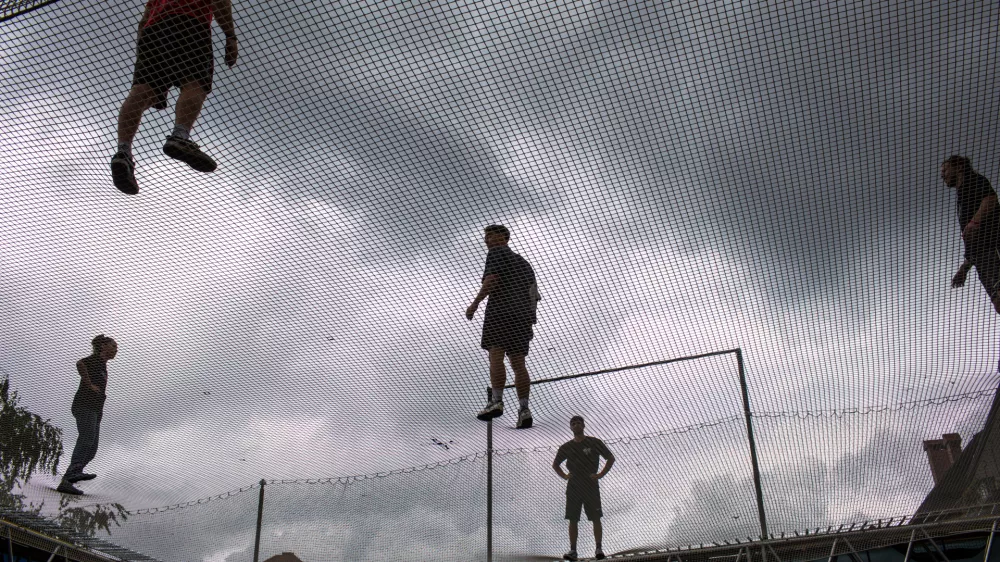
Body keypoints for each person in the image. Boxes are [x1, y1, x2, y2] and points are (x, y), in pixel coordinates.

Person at [110, 0, 238, 195]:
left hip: (153, 32)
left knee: (141, 91)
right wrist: (230, 36)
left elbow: (143, 22)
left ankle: (123, 151)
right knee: (195, 83)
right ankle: (180, 136)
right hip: (191, 24)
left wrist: (144, 56)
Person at [466, 225, 541, 429]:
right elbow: (533, 294)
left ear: (504, 238)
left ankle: (496, 401)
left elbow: (491, 280)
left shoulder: (497, 253)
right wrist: (529, 320)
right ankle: (524, 409)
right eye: (486, 236)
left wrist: (475, 304)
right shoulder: (525, 264)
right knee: (518, 363)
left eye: (492, 235)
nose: (487, 240)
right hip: (522, 318)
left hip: (500, 312)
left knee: (495, 354)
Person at [58, 335, 117, 495]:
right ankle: (73, 471)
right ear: (103, 346)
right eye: (113, 346)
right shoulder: (95, 359)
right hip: (84, 405)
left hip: (95, 410)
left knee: (92, 448)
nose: (116, 350)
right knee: (87, 439)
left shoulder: (103, 366)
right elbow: (80, 363)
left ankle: (68, 479)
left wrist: (99, 413)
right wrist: (89, 384)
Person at [552, 416, 615, 561]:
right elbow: (555, 464)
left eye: (578, 422)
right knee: (573, 518)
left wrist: (600, 474)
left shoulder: (594, 442)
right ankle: (573, 551)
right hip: (574, 486)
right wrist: (565, 476)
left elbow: (610, 458)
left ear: (583, 425)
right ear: (570, 427)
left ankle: (598, 548)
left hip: (590, 484)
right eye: (573, 423)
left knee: (596, 517)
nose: (576, 425)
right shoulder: (566, 447)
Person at [943, 156, 1000, 314]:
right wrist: (964, 269)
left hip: (993, 247)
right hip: (982, 258)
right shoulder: (961, 195)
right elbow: (973, 242)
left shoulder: (973, 181)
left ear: (959, 166)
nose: (942, 175)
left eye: (945, 169)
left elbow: (991, 200)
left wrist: (975, 221)